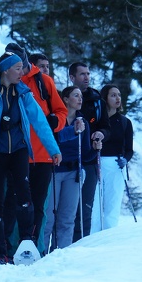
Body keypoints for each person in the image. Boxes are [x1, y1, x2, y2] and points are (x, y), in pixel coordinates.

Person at [0, 52, 62, 265]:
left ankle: (27, 242)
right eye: (18, 68)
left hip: (18, 150)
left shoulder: (24, 93)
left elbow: (40, 122)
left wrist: (53, 149)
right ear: (5, 70)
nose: (22, 72)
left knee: (24, 195)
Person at [2, 43, 68, 255]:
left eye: (19, 64)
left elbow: (61, 112)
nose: (18, 68)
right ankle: (10, 249)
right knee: (12, 203)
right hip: (15, 153)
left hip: (42, 156)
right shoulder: (8, 80)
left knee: (38, 206)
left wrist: (52, 123)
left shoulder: (44, 82)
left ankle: (33, 249)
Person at [43, 86, 102, 252]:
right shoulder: (55, 119)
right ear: (66, 99)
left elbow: (84, 154)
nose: (80, 99)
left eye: (81, 96)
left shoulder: (82, 122)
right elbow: (51, 141)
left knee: (67, 217)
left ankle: (60, 252)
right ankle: (42, 252)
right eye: (76, 96)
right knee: (48, 217)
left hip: (73, 172)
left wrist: (95, 149)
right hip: (53, 170)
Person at [68, 62, 111, 242]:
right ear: (72, 77)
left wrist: (101, 133)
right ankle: (60, 246)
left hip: (90, 160)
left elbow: (106, 128)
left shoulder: (97, 101)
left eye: (88, 74)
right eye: (82, 74)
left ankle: (80, 245)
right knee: (66, 209)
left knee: (85, 207)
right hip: (68, 161)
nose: (86, 78)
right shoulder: (65, 98)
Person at [91, 84, 134, 231]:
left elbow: (129, 149)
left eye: (119, 95)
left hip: (116, 165)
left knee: (112, 204)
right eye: (113, 95)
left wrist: (125, 160)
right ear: (105, 98)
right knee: (95, 203)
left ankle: (109, 234)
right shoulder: (97, 120)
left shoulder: (124, 122)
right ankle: (92, 237)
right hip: (96, 162)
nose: (117, 98)